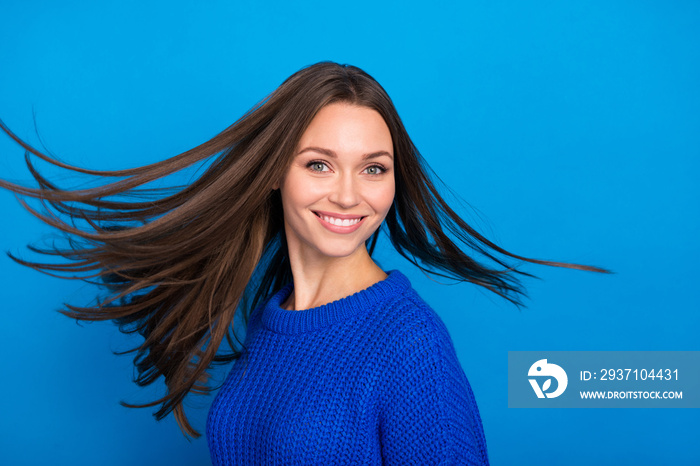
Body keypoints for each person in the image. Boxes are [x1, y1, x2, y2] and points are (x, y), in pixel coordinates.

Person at [0, 61, 608, 465]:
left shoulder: (408, 342)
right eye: (319, 164)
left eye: (374, 168)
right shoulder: (273, 320)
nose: (349, 195)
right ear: (274, 174)